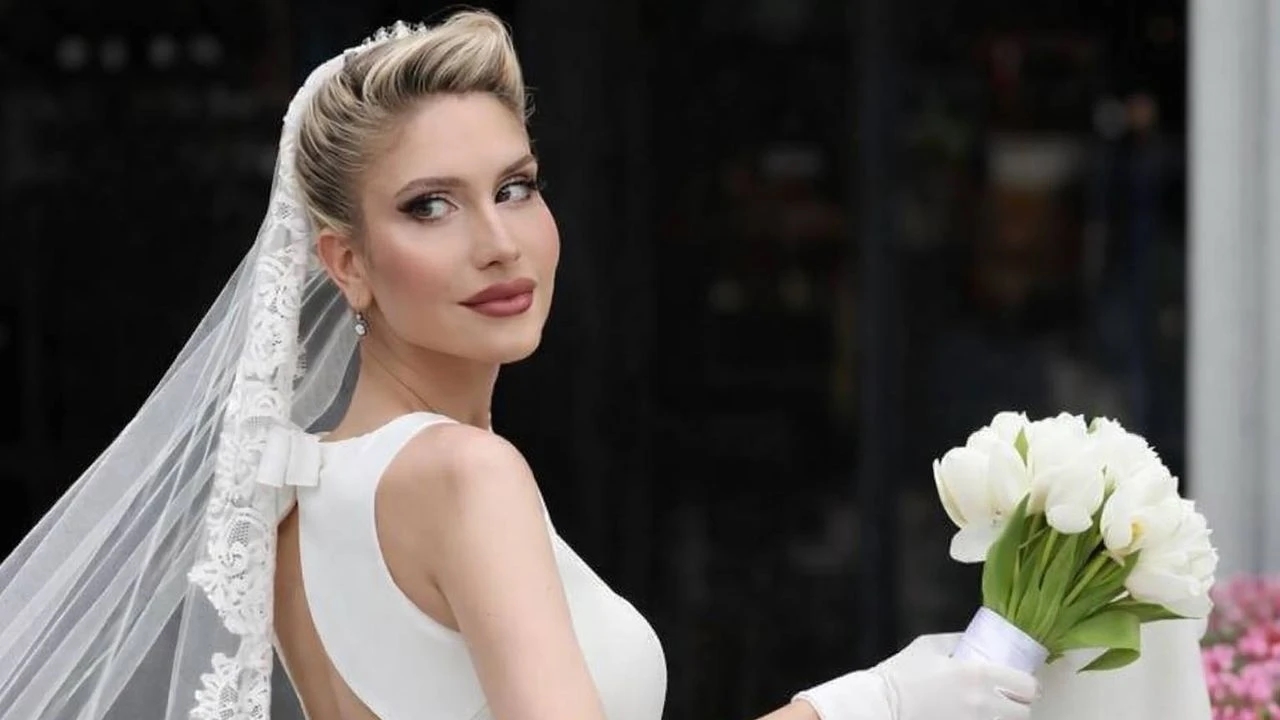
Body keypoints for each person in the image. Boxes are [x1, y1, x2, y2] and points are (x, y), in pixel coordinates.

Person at [0, 11, 1043, 720]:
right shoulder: (465, 477)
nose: (498, 243)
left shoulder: (291, 495)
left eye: (516, 187)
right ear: (345, 263)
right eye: (430, 206)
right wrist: (866, 702)